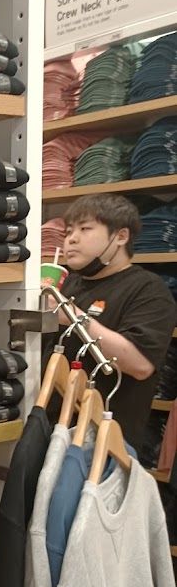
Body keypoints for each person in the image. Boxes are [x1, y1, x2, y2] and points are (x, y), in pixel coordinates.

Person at [45, 193, 177, 451]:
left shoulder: (149, 290)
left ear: (120, 236)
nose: (71, 238)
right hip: (50, 429)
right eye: (69, 231)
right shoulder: (68, 283)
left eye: (85, 229)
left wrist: (72, 315)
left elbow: (140, 363)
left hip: (105, 442)